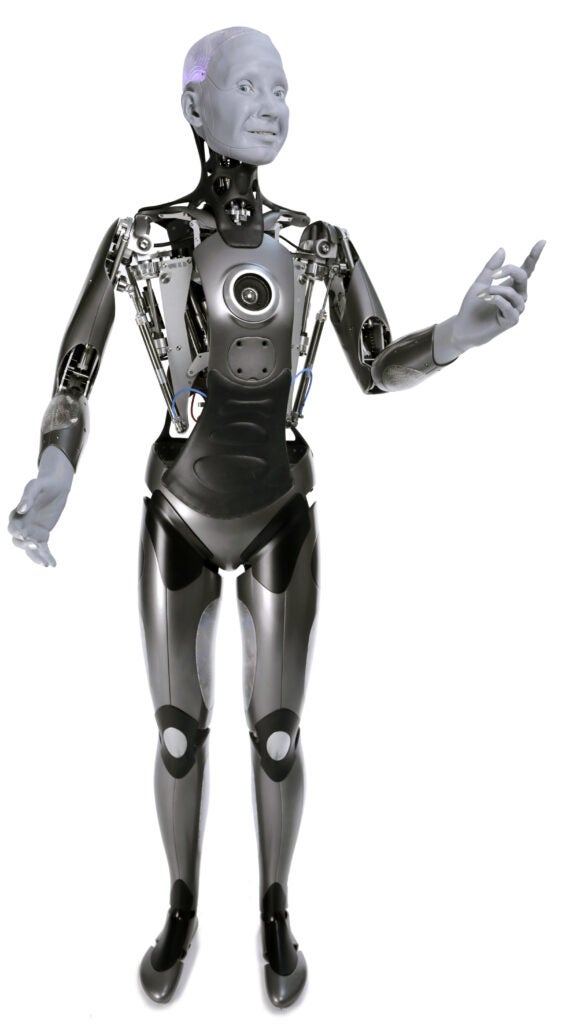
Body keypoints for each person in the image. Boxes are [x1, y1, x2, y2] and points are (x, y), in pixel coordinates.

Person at [7, 24, 544, 1010]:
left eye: (283, 89)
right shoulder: (138, 239)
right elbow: (74, 373)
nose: (272, 105)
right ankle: (180, 910)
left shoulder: (319, 244)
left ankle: (274, 911)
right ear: (195, 106)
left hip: (280, 513)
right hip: (177, 509)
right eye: (250, 86)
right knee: (178, 735)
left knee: (279, 735)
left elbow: (376, 364)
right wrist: (55, 465)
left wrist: (457, 336)